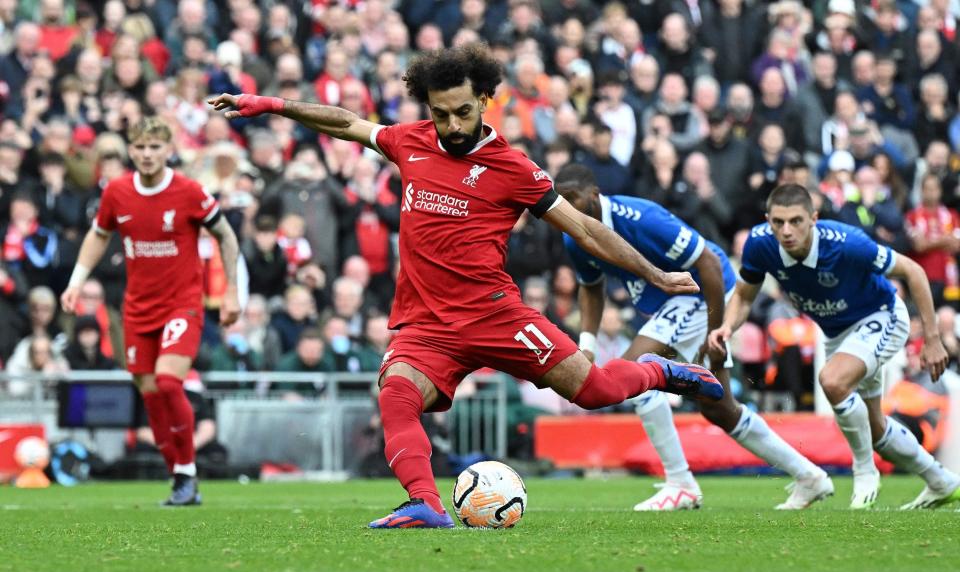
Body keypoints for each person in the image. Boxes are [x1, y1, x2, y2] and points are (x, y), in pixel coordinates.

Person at [210, 43, 722, 529]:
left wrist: (655, 275)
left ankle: (661, 372)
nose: (451, 126)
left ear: (483, 100)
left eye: (461, 112)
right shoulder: (408, 142)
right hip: (428, 325)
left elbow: (586, 230)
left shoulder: (515, 169)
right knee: (396, 392)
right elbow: (345, 121)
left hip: (497, 315)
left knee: (595, 390)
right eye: (439, 113)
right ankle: (424, 503)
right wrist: (269, 104)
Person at [555, 164, 831, 511]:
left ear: (594, 196)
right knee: (720, 409)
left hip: (705, 294)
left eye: (571, 199)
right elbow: (591, 289)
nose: (564, 207)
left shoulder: (640, 218)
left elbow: (710, 264)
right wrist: (588, 345)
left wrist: (717, 329)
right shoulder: (574, 236)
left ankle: (680, 483)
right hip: (675, 304)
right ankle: (810, 477)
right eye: (559, 200)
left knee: (630, 370)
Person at [709, 184, 960, 510]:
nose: (787, 231)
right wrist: (727, 326)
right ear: (768, 220)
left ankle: (864, 471)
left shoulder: (847, 243)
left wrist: (932, 339)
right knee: (875, 428)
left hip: (881, 315)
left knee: (833, 380)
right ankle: (941, 482)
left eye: (796, 221)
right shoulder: (759, 245)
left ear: (813, 218)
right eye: (779, 222)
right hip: (837, 332)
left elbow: (913, 270)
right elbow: (744, 295)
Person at [60, 117, 241, 507]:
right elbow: (99, 234)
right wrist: (76, 281)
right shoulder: (117, 192)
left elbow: (225, 234)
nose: (146, 154)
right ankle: (179, 476)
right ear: (131, 149)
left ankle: (188, 472)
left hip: (182, 305)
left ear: (168, 150)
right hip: (137, 310)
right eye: (140, 147)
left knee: (169, 383)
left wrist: (231, 293)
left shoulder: (189, 192)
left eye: (154, 147)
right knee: (150, 395)